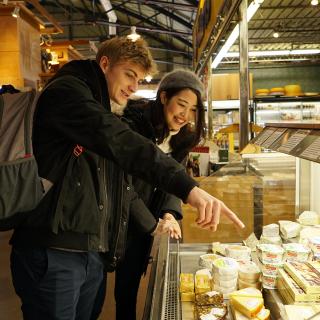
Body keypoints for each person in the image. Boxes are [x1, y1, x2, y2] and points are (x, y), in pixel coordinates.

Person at [10, 36, 244, 320]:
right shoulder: (68, 92)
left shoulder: (106, 106)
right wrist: (187, 190)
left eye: (140, 78)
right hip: (53, 249)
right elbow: (121, 144)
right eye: (129, 75)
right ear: (105, 64)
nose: (134, 86)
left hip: (89, 247)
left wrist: (168, 213)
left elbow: (118, 175)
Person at [115, 69, 208, 320]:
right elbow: (122, 184)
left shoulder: (182, 138)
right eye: (181, 104)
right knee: (99, 285)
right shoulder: (132, 126)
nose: (185, 115)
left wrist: (168, 214)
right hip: (118, 212)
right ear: (164, 97)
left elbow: (172, 180)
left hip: (147, 219)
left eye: (192, 110)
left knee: (129, 282)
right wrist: (151, 223)